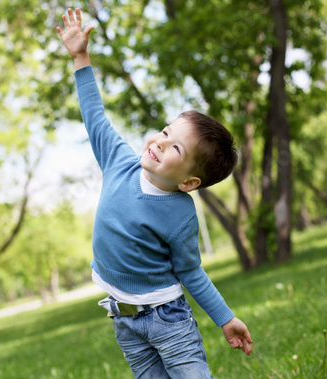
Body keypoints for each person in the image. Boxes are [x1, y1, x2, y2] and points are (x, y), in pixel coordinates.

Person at [56, 8, 253, 378]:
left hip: (169, 320)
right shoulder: (119, 162)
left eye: (175, 148)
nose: (160, 144)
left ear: (189, 182)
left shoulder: (180, 214)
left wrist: (225, 318)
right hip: (124, 322)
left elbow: (191, 272)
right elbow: (95, 116)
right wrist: (80, 57)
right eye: (165, 132)